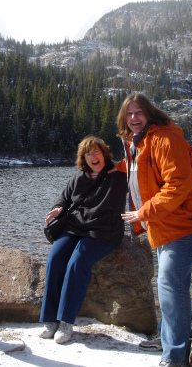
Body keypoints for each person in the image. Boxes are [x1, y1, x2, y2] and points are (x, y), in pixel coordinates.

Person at [113, 93, 192, 367]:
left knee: (171, 284)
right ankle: (169, 337)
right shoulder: (136, 142)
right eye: (129, 114)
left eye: (139, 112)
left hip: (186, 222)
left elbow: (178, 185)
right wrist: (110, 168)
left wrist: (142, 212)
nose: (134, 118)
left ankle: (175, 355)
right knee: (171, 285)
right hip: (165, 223)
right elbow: (140, 169)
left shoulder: (166, 139)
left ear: (149, 114)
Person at [39, 135, 128, 344]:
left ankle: (66, 322)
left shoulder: (119, 175)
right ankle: (49, 319)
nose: (93, 157)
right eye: (88, 154)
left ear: (104, 153)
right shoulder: (78, 178)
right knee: (55, 258)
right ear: (83, 159)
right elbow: (63, 198)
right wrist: (58, 208)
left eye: (96, 151)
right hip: (75, 227)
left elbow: (141, 169)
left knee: (77, 263)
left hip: (103, 232)